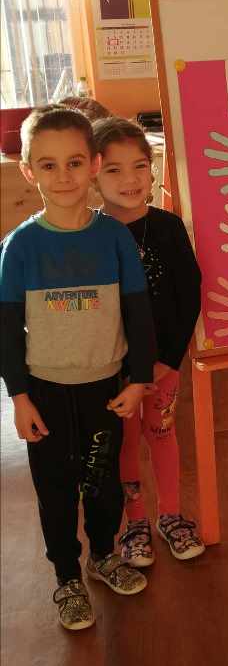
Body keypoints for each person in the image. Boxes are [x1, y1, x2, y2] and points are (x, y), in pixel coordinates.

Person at [0, 105, 156, 630]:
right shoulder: (20, 247)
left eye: (73, 163)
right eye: (48, 165)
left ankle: (103, 556)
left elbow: (138, 312)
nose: (63, 176)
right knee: (56, 490)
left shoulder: (113, 237)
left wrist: (139, 379)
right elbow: (6, 330)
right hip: (44, 392)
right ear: (29, 172)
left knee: (103, 483)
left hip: (104, 389)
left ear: (92, 164)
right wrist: (19, 397)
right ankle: (67, 575)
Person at [93, 116, 204, 566]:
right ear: (94, 175)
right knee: (123, 444)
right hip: (113, 371)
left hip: (163, 367)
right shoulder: (91, 236)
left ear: (152, 167)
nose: (130, 179)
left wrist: (168, 360)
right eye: (114, 169)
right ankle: (134, 522)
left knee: (162, 433)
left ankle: (171, 515)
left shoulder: (169, 227)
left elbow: (188, 297)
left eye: (139, 166)